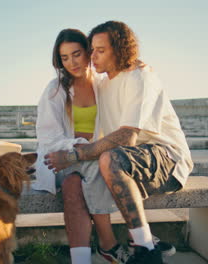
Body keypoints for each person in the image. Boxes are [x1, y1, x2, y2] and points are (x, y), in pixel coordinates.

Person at [45, 21, 193, 263]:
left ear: (121, 50)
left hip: (167, 161)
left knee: (107, 156)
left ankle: (146, 249)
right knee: (82, 172)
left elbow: (127, 138)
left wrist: (73, 156)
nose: (92, 57)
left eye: (100, 50)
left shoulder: (140, 77)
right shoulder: (102, 84)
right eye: (91, 49)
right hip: (128, 161)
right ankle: (106, 247)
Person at [34, 28, 127, 264]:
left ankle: (82, 259)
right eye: (64, 58)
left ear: (88, 52)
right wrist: (83, 148)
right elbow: (48, 137)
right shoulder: (55, 89)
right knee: (81, 172)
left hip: (93, 158)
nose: (71, 63)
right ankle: (109, 244)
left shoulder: (104, 85)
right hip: (59, 158)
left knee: (75, 184)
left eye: (76, 54)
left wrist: (88, 152)